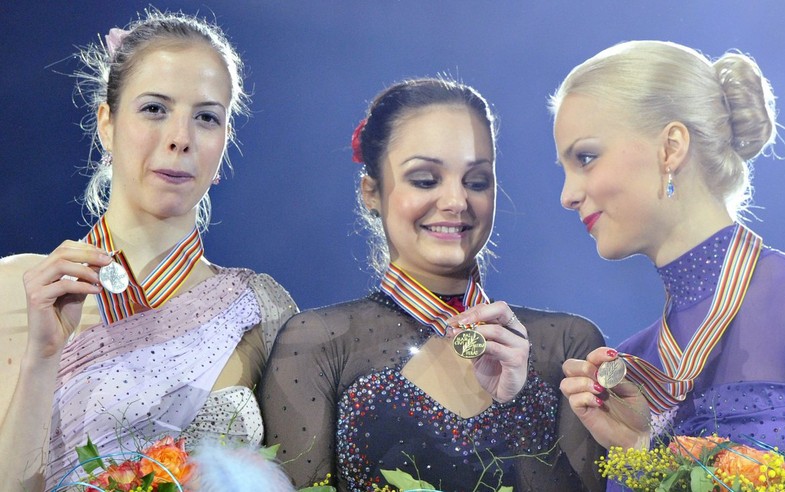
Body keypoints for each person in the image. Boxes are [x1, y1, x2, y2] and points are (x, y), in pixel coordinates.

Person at [552, 40, 785, 490]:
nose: (567, 194)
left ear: (671, 147)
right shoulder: (630, 367)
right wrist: (640, 455)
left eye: (585, 158)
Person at [260, 78, 606, 491]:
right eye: (425, 180)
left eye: (476, 182)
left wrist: (519, 402)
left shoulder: (567, 344)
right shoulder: (317, 342)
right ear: (372, 191)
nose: (456, 201)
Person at [0, 11, 297, 490]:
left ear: (224, 144)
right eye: (155, 108)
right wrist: (41, 356)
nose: (181, 138)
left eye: (206, 117)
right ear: (106, 124)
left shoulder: (258, 311)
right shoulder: (17, 288)